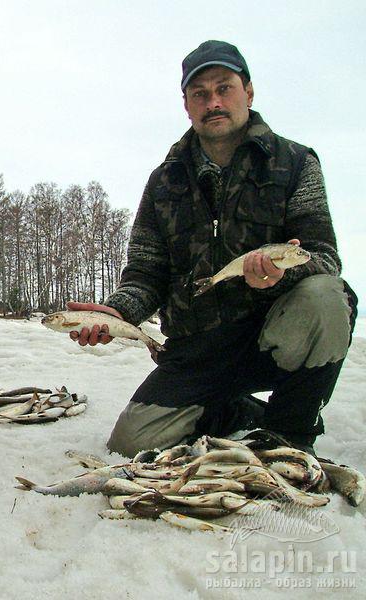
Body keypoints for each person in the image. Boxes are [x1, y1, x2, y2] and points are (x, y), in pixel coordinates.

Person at [68, 41, 357, 457]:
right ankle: (234, 412)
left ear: (249, 92)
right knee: (133, 443)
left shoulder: (295, 163)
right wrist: (119, 312)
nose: (214, 102)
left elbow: (322, 255)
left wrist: (283, 272)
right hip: (196, 348)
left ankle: (291, 430)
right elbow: (146, 272)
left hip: (268, 335)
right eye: (200, 93)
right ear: (186, 104)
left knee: (327, 294)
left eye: (225, 88)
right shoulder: (164, 180)